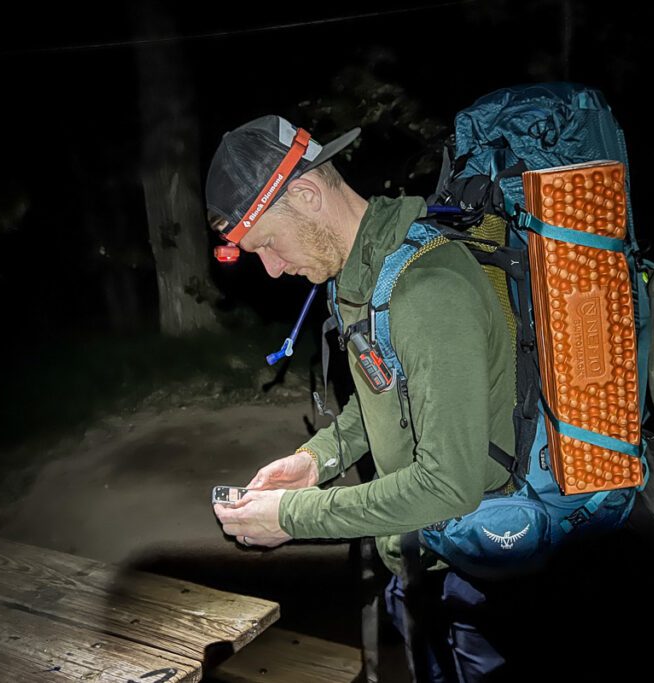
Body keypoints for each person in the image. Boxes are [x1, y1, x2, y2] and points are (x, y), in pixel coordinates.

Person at [205, 115, 524, 681]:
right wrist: (317, 459)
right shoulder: (363, 276)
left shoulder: (427, 292)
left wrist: (293, 517)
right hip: (414, 554)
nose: (273, 270)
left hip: (474, 571)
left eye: (268, 245)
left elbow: (449, 483)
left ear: (304, 194)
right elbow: (387, 389)